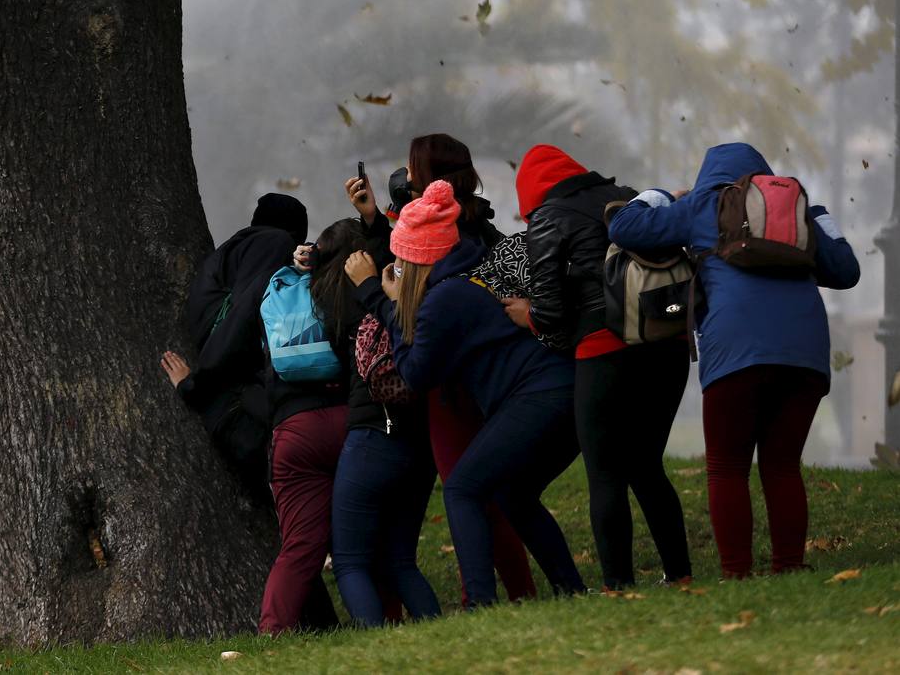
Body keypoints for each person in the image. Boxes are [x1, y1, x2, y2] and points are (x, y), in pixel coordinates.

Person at [608, 143, 860, 579]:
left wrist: (664, 196)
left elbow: (624, 227)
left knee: (727, 467)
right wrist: (818, 214)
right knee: (782, 465)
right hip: (805, 351)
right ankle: (789, 566)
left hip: (736, 347)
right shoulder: (795, 213)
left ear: (710, 175)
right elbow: (847, 270)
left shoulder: (704, 204)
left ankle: (737, 574)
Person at [346, 180, 585, 608]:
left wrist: (375, 295)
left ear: (418, 261)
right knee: (513, 493)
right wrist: (392, 303)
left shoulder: (445, 298)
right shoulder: (461, 282)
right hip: (558, 391)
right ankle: (571, 590)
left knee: (463, 489)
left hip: (539, 396)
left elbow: (416, 371)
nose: (397, 267)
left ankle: (480, 603)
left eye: (401, 260)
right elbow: (422, 344)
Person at [505, 144, 692, 591]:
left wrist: (525, 314)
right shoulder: (626, 196)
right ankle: (680, 574)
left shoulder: (549, 216)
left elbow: (550, 312)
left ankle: (616, 585)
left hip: (604, 351)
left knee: (605, 471)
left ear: (530, 194)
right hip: (666, 344)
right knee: (647, 465)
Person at [314, 220, 439, 628]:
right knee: (400, 560)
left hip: (371, 435)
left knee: (350, 562)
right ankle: (440, 632)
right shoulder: (404, 296)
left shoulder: (338, 300)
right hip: (421, 443)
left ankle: (376, 643)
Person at [161, 193, 307, 504]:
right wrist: (195, 385)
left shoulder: (236, 249)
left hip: (227, 379)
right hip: (230, 380)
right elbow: (242, 315)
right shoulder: (275, 242)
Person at [258, 217, 361, 635]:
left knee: (300, 546)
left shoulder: (284, 295)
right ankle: (383, 619)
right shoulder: (350, 296)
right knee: (365, 538)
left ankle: (272, 631)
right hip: (350, 423)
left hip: (294, 431)